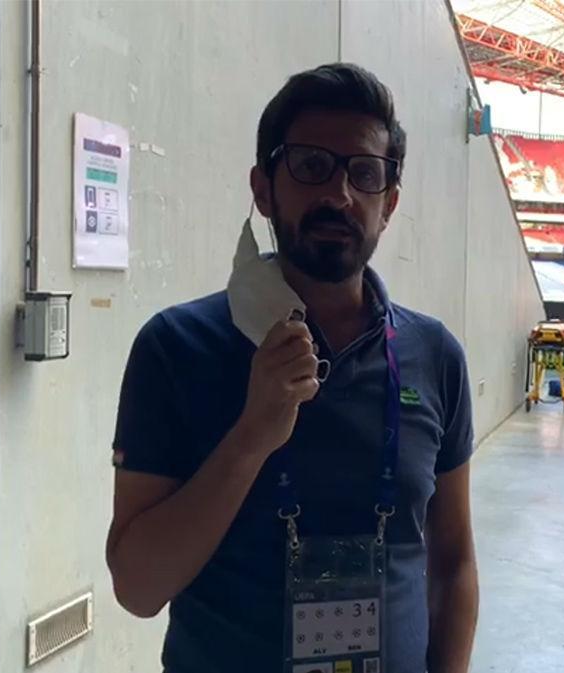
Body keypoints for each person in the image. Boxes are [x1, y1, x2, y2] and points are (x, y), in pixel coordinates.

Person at [106, 63, 479, 673]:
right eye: (310, 165)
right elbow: (138, 589)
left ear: (389, 204)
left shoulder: (435, 356)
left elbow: (454, 560)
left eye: (365, 174)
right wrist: (252, 435)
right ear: (263, 188)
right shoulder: (175, 348)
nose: (339, 195)